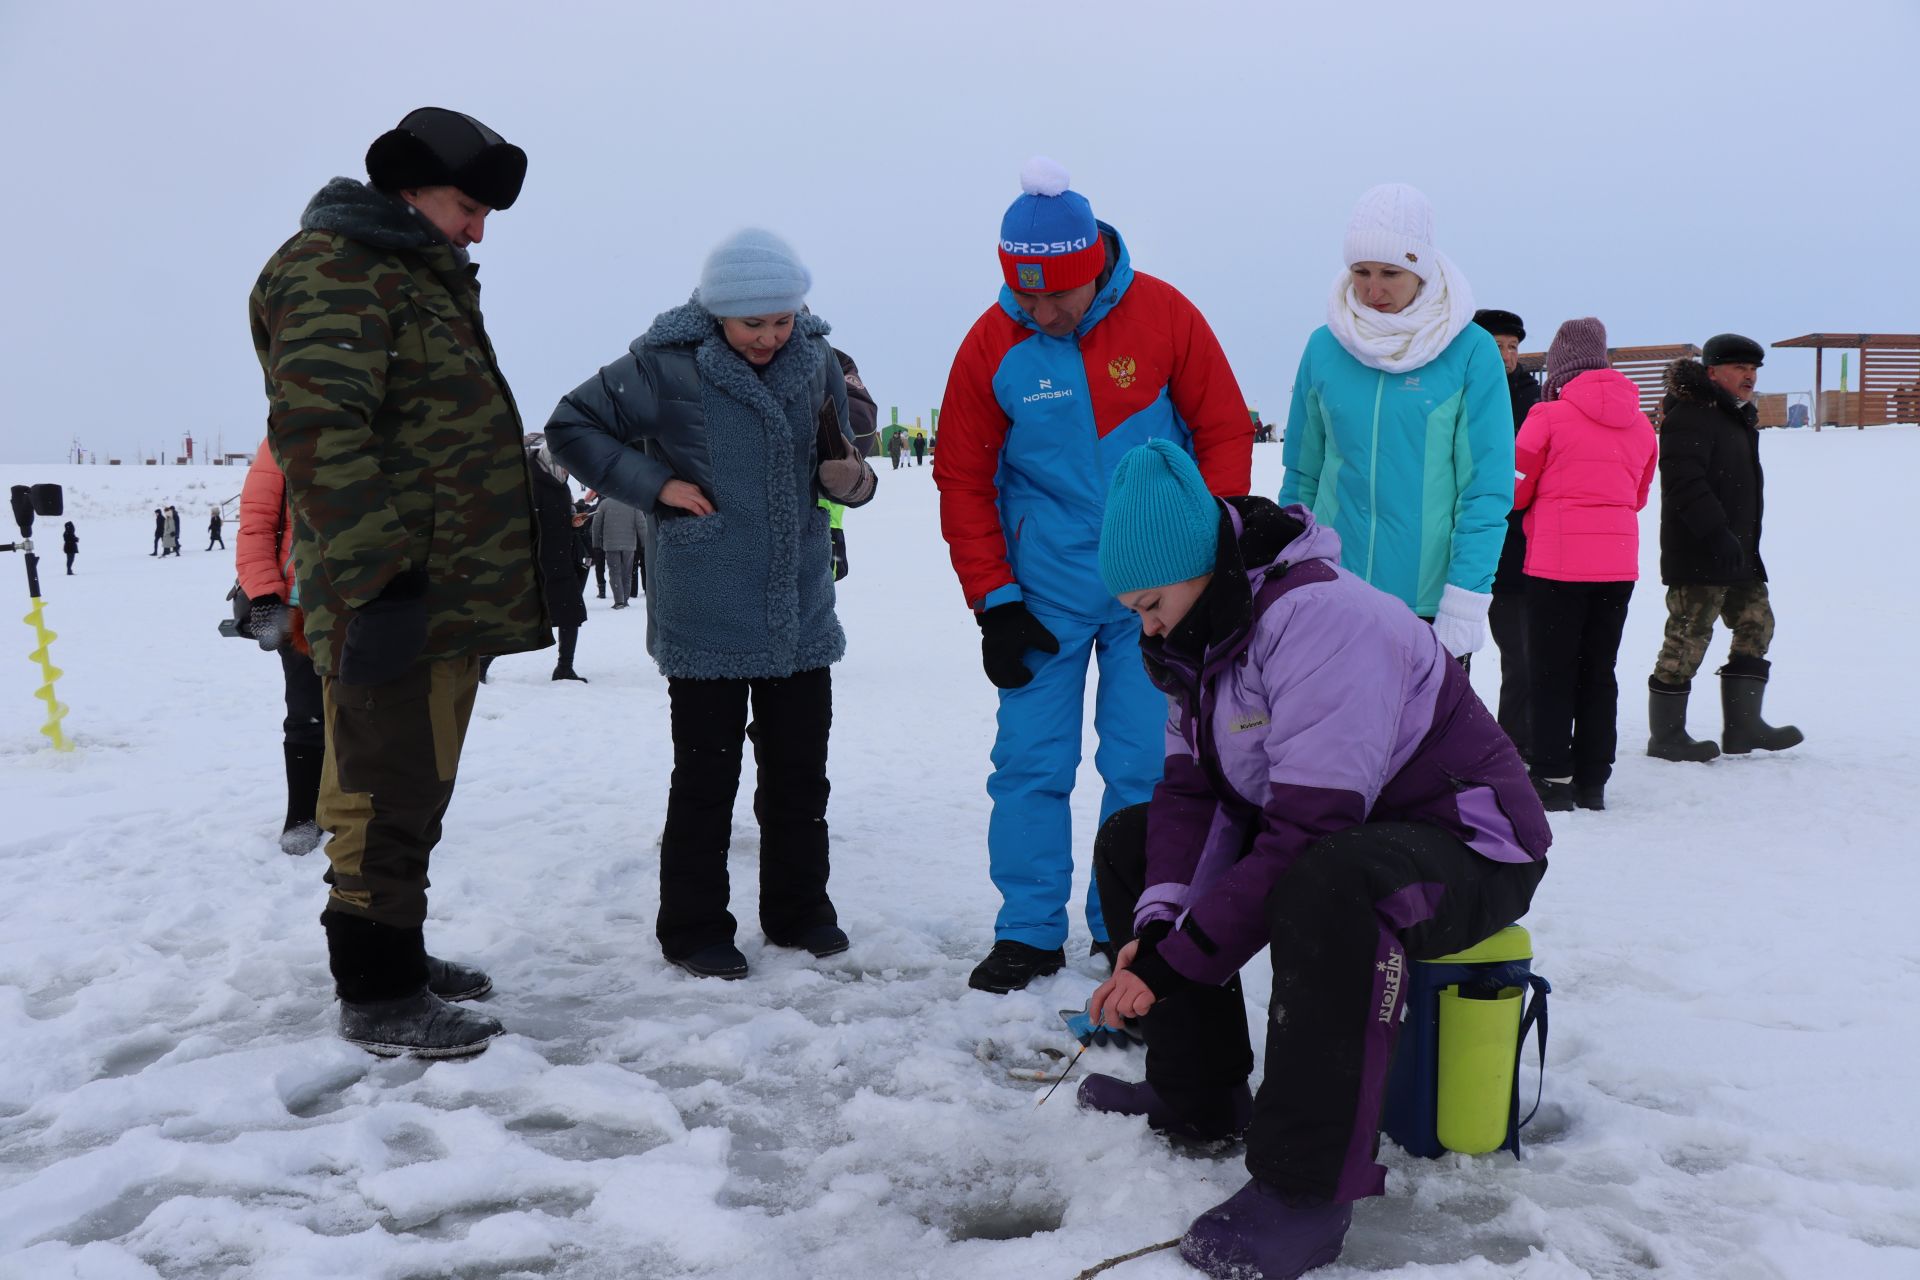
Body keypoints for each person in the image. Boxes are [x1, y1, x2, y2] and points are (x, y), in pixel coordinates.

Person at [1076, 440, 1550, 1280]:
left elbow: (1310, 830)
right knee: (1132, 837)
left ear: (1202, 568)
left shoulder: (1325, 621)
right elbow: (1190, 795)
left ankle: (1305, 1189)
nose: (1144, 628)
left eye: (1151, 605)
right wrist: (1157, 931)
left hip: (1467, 849)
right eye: (1134, 612)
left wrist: (1181, 962)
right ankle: (1199, 1096)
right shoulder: (1200, 638)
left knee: (1331, 881)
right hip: (1343, 834)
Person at [252, 107, 550, 1059]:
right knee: (382, 786)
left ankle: (399, 952)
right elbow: (319, 432)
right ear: (410, 189)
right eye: (466, 206)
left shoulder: (407, 274)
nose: (477, 228)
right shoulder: (336, 269)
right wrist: (378, 582)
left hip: (441, 593)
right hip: (390, 591)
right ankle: (376, 994)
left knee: (414, 784)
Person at [934, 158, 1252, 993]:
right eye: (1023, 295)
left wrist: (1206, 555)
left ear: (1095, 271)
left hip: (1156, 592)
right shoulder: (991, 344)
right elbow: (962, 477)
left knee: (1146, 765)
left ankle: (1126, 924)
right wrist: (994, 601)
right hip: (1041, 594)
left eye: (1055, 298)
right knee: (1031, 765)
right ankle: (1028, 932)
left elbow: (1221, 432)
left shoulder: (1167, 316)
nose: (1037, 311)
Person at [547, 228, 877, 980]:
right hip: (706, 597)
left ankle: (800, 912)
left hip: (798, 599)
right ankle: (694, 928)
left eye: (780, 320)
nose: (768, 337)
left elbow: (844, 467)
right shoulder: (665, 365)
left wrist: (847, 479)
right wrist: (655, 485)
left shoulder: (819, 360)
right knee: (706, 775)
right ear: (717, 313)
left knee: (800, 772)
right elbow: (570, 425)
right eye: (751, 322)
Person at [1280, 184, 1513, 668]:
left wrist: (1465, 595)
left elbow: (1485, 489)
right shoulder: (1324, 347)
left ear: (1422, 269)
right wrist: (1288, 571)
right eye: (1360, 272)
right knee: (1330, 741)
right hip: (1332, 595)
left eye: (1390, 273)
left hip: (1427, 607)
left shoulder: (1469, 350)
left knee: (1423, 744)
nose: (1372, 289)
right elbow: (1301, 476)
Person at [1512, 319, 1656, 812]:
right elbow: (1637, 497)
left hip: (1555, 565)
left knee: (1551, 671)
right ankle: (1594, 780)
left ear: (1559, 366)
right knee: (1599, 671)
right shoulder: (1640, 423)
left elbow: (1516, 488)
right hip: (1617, 566)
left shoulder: (1546, 416)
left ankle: (1552, 776)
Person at [1647, 334, 1803, 760]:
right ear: (1711, 372)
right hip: (1699, 551)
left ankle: (1743, 728)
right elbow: (1684, 484)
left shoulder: (1735, 417)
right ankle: (1666, 737)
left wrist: (1738, 542)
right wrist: (1716, 533)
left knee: (1757, 623)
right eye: (1738, 367)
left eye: (1753, 368)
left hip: (1738, 551)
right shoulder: (1692, 414)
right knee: (1688, 637)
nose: (1748, 375)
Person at [236, 437, 326, 855]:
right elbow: (256, 523)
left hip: (372, 603)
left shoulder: (384, 426)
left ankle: (353, 806)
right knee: (307, 714)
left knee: (368, 714)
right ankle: (303, 814)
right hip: (301, 605)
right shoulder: (283, 438)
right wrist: (266, 594)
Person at [1473, 308, 1541, 757]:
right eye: (1497, 346)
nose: (1507, 355)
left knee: (1522, 655)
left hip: (1516, 546)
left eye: (1513, 346)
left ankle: (1516, 743)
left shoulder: (1533, 402)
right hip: (1458, 540)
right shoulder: (1463, 391)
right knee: (1440, 654)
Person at [525, 433, 590, 681]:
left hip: (562, 559)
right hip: (538, 562)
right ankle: (483, 662)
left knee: (570, 614)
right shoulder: (531, 480)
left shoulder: (560, 479)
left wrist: (573, 522)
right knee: (523, 619)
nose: (567, 469)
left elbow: (557, 516)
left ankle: (564, 667)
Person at [597, 496, 644, 610]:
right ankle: (625, 599)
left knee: (614, 572)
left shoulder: (604, 504)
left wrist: (596, 542)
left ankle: (619, 601)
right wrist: (644, 542)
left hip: (610, 544)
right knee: (627, 573)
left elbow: (596, 524)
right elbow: (641, 524)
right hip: (629, 546)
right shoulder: (633, 504)